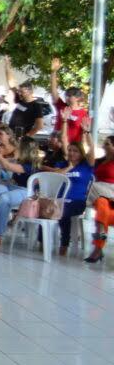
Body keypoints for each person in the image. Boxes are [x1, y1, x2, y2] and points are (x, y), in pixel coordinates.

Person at [50, 123, 94, 257]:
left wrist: (87, 133)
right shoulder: (62, 165)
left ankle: (64, 243)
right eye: (70, 150)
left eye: (75, 151)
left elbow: (92, 150)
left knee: (62, 211)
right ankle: (42, 241)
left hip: (77, 202)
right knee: (47, 210)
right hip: (61, 200)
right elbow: (56, 176)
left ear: (81, 154)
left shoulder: (86, 165)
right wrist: (69, 167)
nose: (71, 153)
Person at [85, 136, 114, 263]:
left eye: (107, 144)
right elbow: (89, 158)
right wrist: (88, 135)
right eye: (104, 143)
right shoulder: (100, 161)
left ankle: (98, 249)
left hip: (111, 191)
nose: (104, 146)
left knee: (102, 213)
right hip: (101, 196)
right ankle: (99, 245)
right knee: (101, 203)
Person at [50, 57, 90, 144]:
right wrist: (53, 72)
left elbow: (85, 133)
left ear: (77, 98)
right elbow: (54, 91)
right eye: (66, 95)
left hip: (72, 148)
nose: (66, 97)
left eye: (69, 95)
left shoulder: (83, 113)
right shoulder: (62, 106)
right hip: (57, 146)